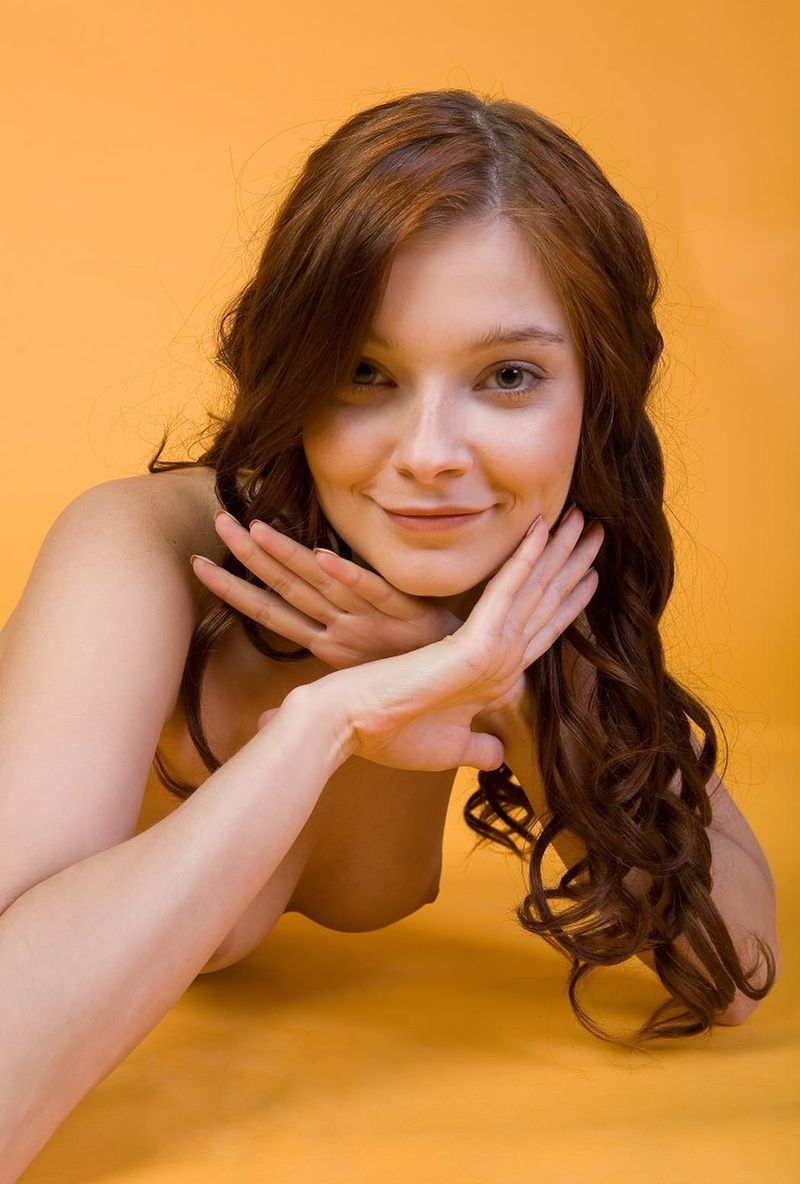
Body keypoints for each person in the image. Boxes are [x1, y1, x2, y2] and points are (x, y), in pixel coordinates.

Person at [0, 88, 780, 1175]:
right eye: (366, 373)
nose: (428, 453)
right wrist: (325, 719)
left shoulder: (522, 602)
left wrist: (505, 693)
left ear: (591, 396)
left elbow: (736, 958)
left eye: (505, 376)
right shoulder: (141, 556)